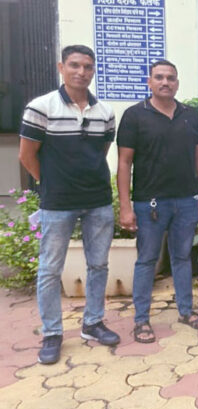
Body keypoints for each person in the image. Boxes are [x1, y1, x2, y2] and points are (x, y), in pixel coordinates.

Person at [18, 45, 120, 364]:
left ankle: (93, 323)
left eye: (87, 66)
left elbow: (100, 153)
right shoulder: (41, 107)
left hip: (98, 201)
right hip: (58, 203)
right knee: (50, 269)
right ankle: (52, 333)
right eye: (74, 65)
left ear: (93, 70)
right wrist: (50, 184)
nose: (81, 72)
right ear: (61, 67)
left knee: (99, 265)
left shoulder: (105, 112)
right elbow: (26, 155)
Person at [117, 59, 198, 343]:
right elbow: (124, 162)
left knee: (182, 258)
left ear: (177, 83)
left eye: (170, 78)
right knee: (147, 260)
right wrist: (125, 206)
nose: (165, 82)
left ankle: (186, 310)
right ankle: (141, 319)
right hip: (150, 204)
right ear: (149, 82)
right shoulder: (135, 116)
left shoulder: (189, 115)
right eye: (159, 77)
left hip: (186, 201)